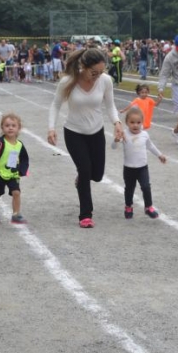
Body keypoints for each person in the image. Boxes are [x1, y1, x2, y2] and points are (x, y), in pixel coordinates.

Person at [48, 48, 124, 228]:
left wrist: (117, 123)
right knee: (85, 169)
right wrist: (51, 128)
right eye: (94, 72)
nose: (97, 76)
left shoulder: (105, 81)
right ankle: (85, 214)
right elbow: (55, 104)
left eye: (101, 72)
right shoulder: (68, 81)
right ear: (83, 66)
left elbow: (110, 105)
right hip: (74, 132)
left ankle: (82, 179)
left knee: (96, 175)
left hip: (96, 131)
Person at [112, 107, 166, 219]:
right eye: (132, 122)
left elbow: (150, 146)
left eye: (138, 122)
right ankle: (128, 206)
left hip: (142, 168)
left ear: (142, 122)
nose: (135, 125)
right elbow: (113, 147)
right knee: (129, 188)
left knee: (146, 187)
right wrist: (116, 140)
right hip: (129, 168)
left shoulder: (145, 135)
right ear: (126, 123)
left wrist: (159, 155)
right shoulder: (124, 134)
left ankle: (148, 207)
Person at [0, 113, 29, 224]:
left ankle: (16, 214)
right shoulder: (0, 142)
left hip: (13, 174)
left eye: (13, 125)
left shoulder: (19, 145)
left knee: (16, 192)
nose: (10, 128)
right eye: (7, 125)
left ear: (18, 128)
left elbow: (24, 158)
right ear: (2, 128)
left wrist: (21, 170)